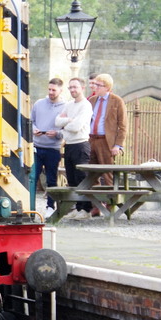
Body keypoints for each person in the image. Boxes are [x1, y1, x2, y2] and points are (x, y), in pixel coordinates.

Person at [55, 77, 93, 219]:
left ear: (82, 88)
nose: (72, 90)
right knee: (71, 178)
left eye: (75, 87)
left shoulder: (85, 105)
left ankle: (86, 209)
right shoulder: (69, 105)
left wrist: (66, 125)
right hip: (69, 145)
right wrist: (68, 121)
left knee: (82, 178)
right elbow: (57, 121)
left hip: (80, 144)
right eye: (70, 87)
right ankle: (78, 207)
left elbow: (77, 127)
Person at [32, 78, 66, 218]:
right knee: (32, 177)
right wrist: (34, 129)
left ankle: (50, 206)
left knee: (51, 178)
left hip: (53, 147)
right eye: (49, 89)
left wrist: (57, 134)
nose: (51, 92)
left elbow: (67, 128)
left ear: (60, 90)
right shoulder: (39, 104)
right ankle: (30, 206)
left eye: (54, 90)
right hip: (36, 146)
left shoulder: (65, 107)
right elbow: (31, 120)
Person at [88, 74, 127, 195]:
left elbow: (123, 126)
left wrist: (118, 145)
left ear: (107, 87)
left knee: (107, 173)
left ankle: (111, 203)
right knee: (91, 173)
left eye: (99, 85)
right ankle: (96, 204)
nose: (96, 87)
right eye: (95, 84)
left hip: (106, 141)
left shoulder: (117, 101)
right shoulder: (92, 100)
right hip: (91, 140)